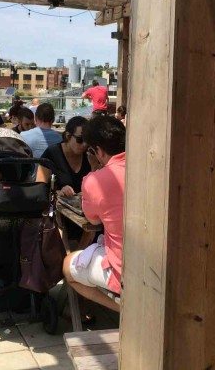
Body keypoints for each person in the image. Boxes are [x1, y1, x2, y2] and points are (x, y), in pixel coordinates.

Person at [63, 116, 125, 312]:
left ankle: (123, 310)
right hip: (160, 262)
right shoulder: (150, 167)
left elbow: (92, 220)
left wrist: (94, 169)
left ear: (97, 150)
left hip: (122, 268)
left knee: (67, 265)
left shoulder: (94, 181)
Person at [37, 116, 92, 198]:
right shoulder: (52, 153)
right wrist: (57, 192)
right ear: (68, 136)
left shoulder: (90, 155)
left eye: (87, 140)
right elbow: (39, 187)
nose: (85, 144)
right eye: (80, 139)